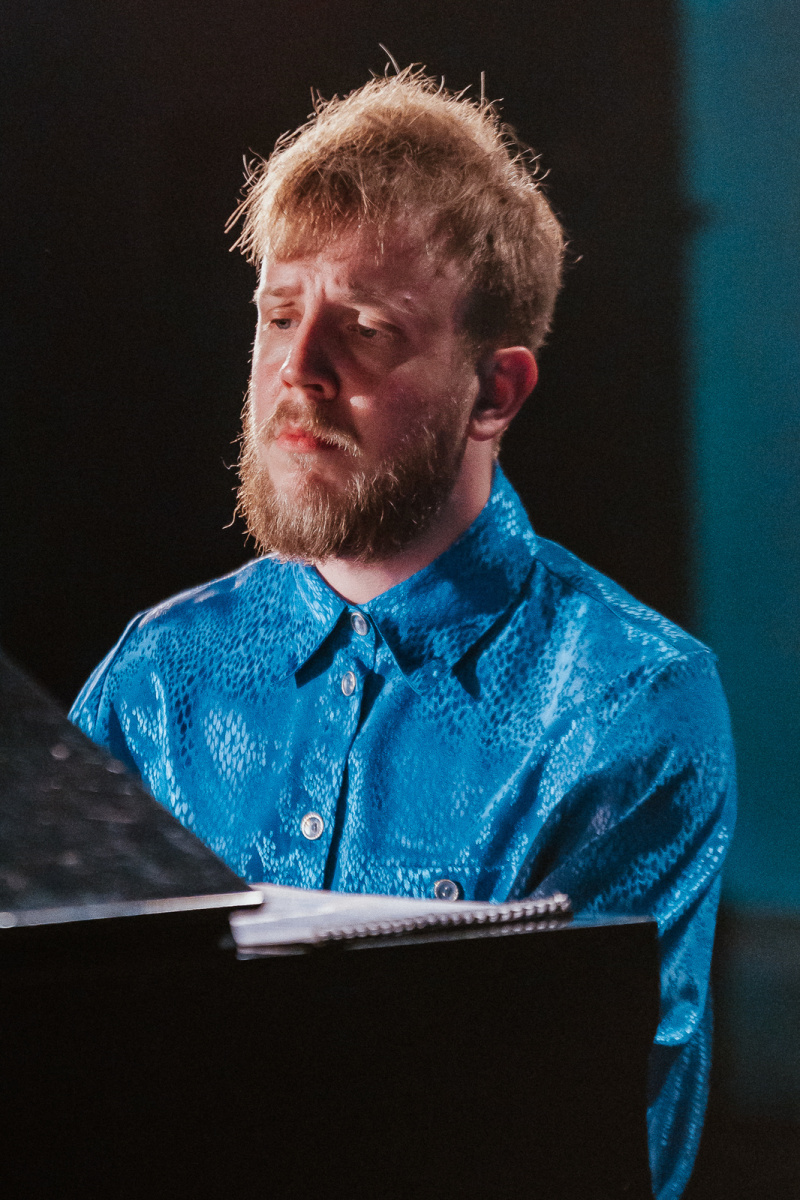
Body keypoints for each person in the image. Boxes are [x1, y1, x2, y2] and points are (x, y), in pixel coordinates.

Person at [70, 69, 736, 1200]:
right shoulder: (160, 674)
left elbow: (579, 1142)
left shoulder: (626, 702)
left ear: (495, 393)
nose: (297, 372)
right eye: (280, 315)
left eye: (367, 330)